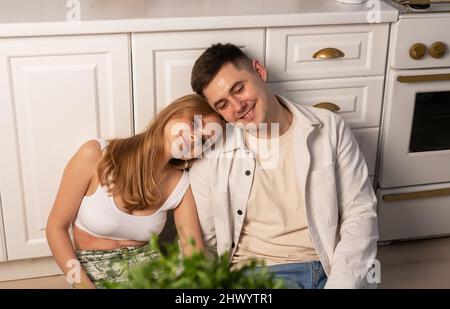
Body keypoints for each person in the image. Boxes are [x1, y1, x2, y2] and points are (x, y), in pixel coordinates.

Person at [188, 43, 378, 289]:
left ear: (260, 71)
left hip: (334, 265)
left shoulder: (329, 127)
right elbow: (207, 244)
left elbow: (360, 212)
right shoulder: (211, 158)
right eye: (222, 105)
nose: (238, 107)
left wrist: (342, 283)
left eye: (239, 89)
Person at [46, 94, 222, 288]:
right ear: (173, 113)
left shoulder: (181, 184)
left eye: (205, 140)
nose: (195, 138)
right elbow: (56, 228)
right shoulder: (96, 155)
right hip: (91, 273)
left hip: (150, 274)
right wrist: (80, 284)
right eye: (194, 123)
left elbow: (193, 250)